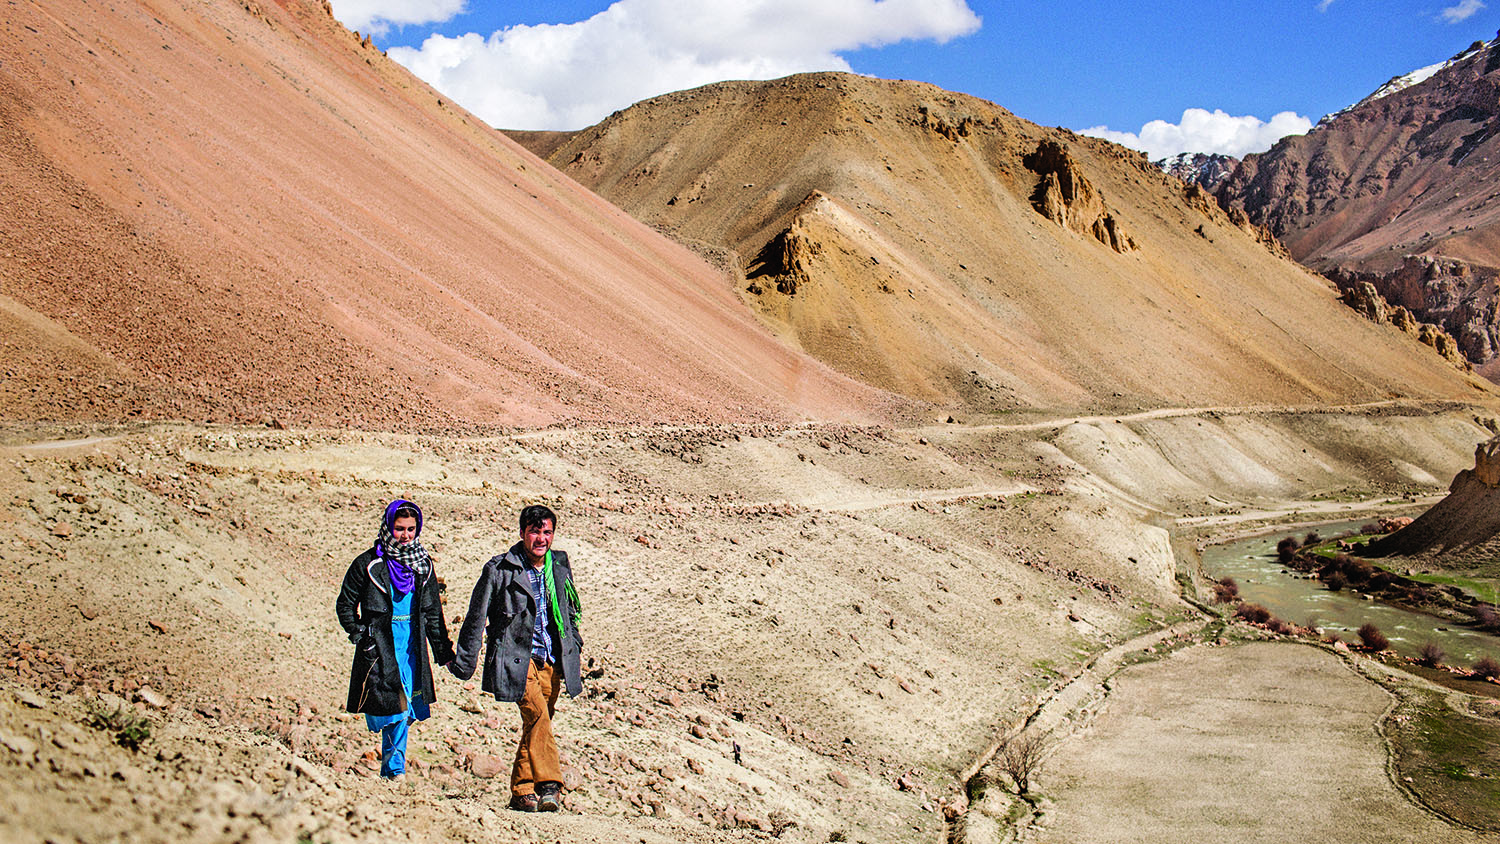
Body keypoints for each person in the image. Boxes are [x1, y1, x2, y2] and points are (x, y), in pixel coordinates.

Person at [450, 504, 583, 812]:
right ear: (522, 533)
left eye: (547, 532)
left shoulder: (559, 564)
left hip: (551, 656)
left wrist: (575, 643)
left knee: (538, 723)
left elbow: (569, 610)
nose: (541, 539)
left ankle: (521, 791)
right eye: (535, 531)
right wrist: (464, 660)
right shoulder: (500, 569)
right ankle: (550, 784)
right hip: (516, 659)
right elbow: (476, 615)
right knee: (537, 715)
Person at [336, 499, 455, 781]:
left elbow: (433, 613)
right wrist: (361, 634)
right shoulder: (368, 564)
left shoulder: (422, 565)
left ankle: (391, 769)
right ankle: (394, 773)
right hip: (382, 647)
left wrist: (444, 653)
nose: (406, 536)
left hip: (412, 646)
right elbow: (345, 604)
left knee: (410, 709)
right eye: (400, 529)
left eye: (411, 529)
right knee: (395, 710)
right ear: (388, 527)